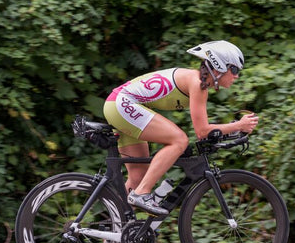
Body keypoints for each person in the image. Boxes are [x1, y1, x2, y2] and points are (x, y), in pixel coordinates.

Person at [103, 40, 259, 216]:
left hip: (118, 104)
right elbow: (202, 131)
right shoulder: (198, 84)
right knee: (179, 140)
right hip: (121, 104)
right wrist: (238, 125)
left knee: (137, 176)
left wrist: (232, 128)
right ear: (219, 66)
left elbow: (204, 131)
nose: (237, 76)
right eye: (235, 70)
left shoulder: (197, 81)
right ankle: (141, 193)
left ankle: (113, 232)